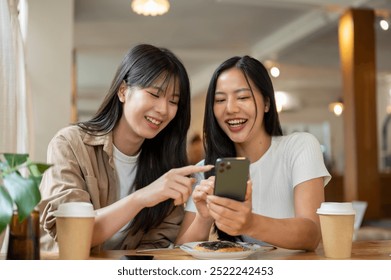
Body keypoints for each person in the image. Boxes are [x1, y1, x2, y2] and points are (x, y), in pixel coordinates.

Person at [38, 44, 213, 252]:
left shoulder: (165, 164)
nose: (163, 110)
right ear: (123, 91)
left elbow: (154, 250)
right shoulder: (70, 144)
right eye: (154, 94)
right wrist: (141, 198)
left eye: (173, 101)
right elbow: (69, 232)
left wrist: (204, 217)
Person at [176, 55, 331, 251]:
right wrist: (203, 218)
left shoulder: (299, 147)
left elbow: (312, 233)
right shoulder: (206, 169)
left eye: (243, 97)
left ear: (266, 103)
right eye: (220, 100)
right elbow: (179, 251)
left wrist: (250, 223)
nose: (231, 108)